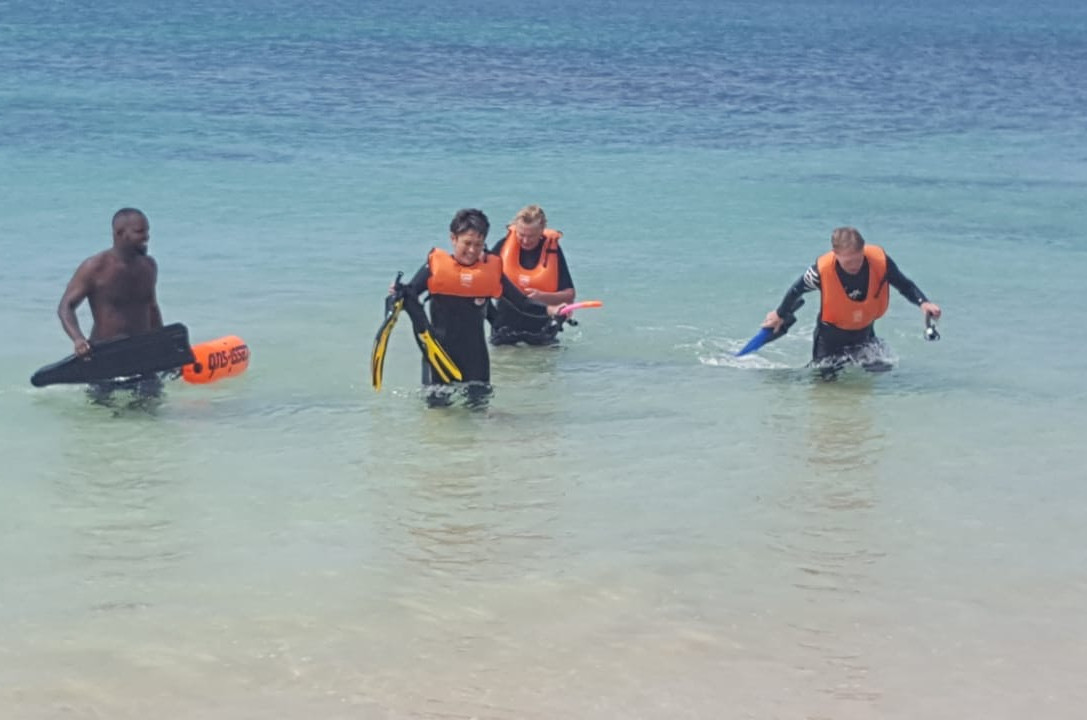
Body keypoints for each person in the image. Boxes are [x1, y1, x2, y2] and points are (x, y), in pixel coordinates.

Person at [399, 208, 564, 406]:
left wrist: (550, 310)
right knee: (439, 421)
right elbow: (408, 295)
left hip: (475, 359)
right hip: (437, 356)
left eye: (478, 245)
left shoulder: (489, 273)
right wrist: (397, 294)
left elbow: (522, 303)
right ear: (453, 238)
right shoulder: (435, 268)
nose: (472, 250)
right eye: (467, 243)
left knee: (478, 415)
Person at [761, 226, 941, 374]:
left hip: (864, 333)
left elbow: (904, 284)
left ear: (863, 250)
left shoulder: (880, 262)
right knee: (825, 387)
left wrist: (923, 302)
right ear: (835, 254)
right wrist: (780, 314)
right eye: (848, 262)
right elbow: (796, 291)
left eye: (858, 260)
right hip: (829, 338)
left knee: (880, 374)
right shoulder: (819, 272)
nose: (854, 266)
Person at [57, 208, 165, 399]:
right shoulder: (95, 268)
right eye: (140, 232)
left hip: (142, 355)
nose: (146, 237)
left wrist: (163, 344)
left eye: (147, 231)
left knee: (150, 416)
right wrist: (78, 339)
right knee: (103, 421)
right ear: (120, 233)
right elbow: (66, 306)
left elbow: (152, 307)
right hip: (105, 356)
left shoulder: (149, 266)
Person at [488, 204, 576, 346]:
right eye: (521, 234)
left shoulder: (552, 251)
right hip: (506, 323)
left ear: (542, 230)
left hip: (540, 323)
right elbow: (483, 277)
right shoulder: (503, 246)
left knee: (540, 366)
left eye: (531, 236)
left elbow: (569, 294)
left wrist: (542, 296)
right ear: (515, 228)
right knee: (503, 365)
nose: (525, 241)